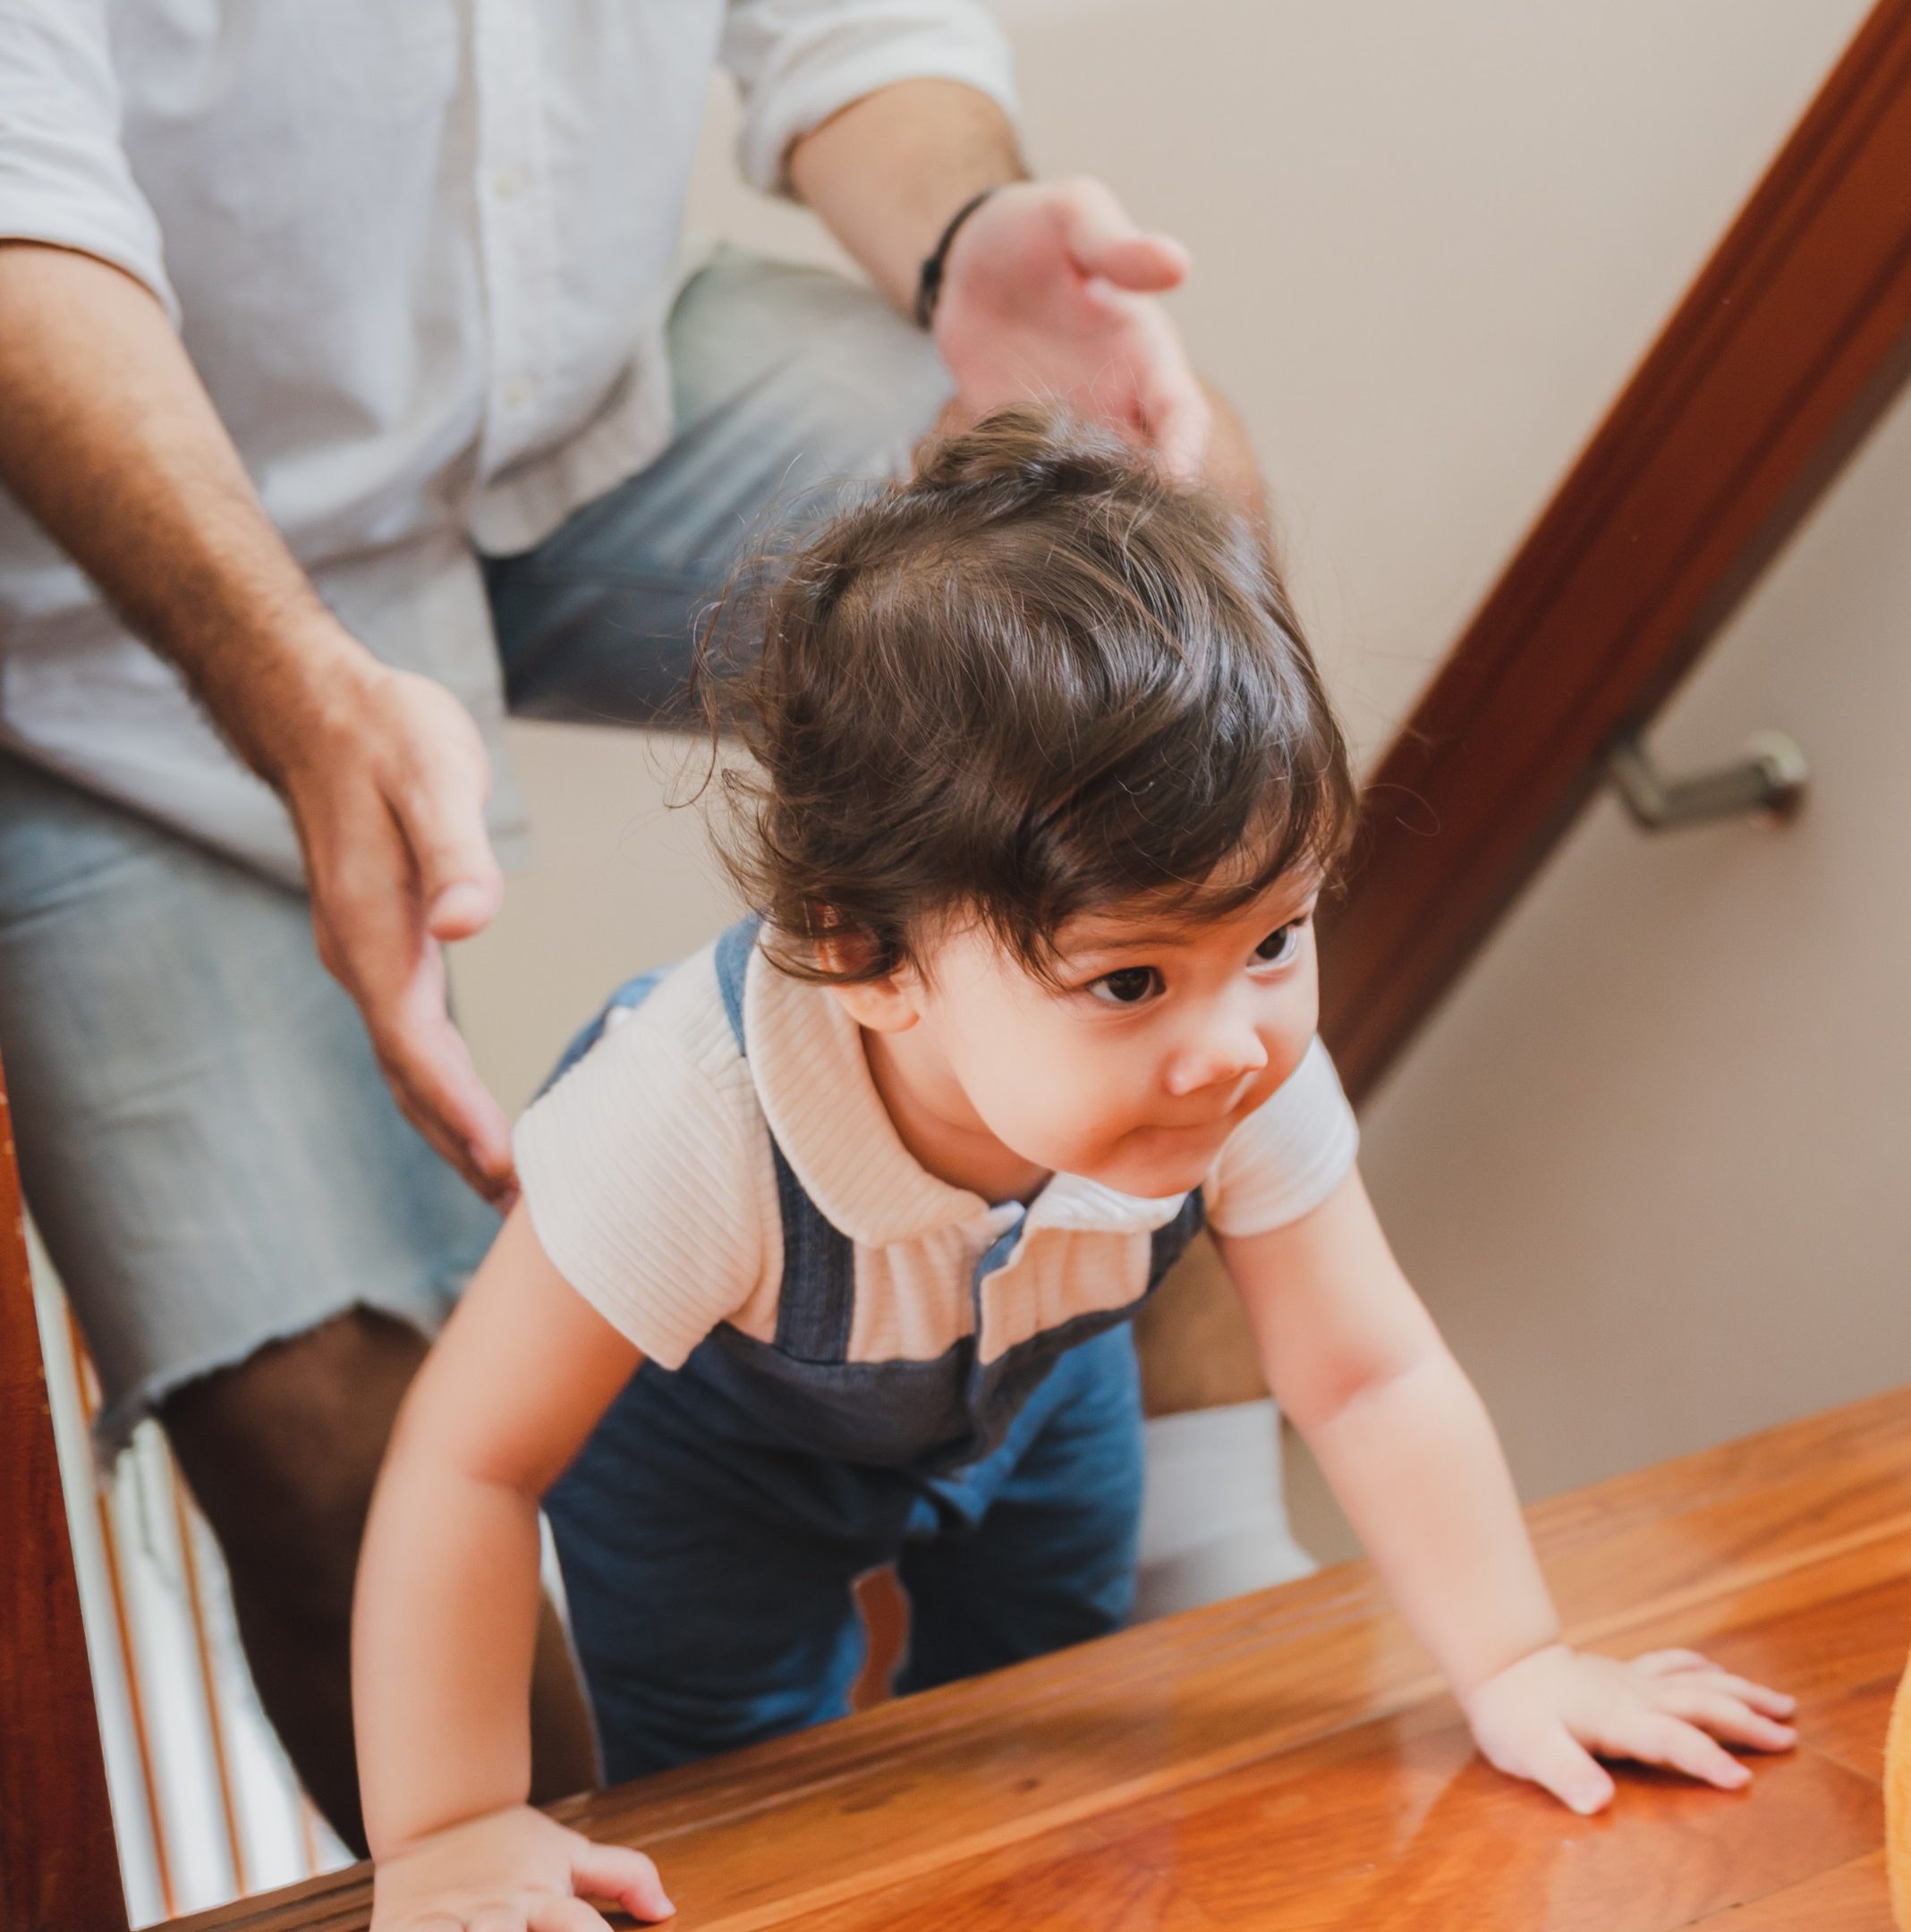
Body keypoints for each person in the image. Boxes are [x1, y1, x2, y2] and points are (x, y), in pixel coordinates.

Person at [0, 4, 1275, 1849]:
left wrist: (961, 231)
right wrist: (291, 686)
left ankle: (1220, 1554)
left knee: (1166, 525)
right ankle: (574, 1866)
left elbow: (857, 29)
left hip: (569, 412)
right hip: (90, 580)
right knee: (322, 1447)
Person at [349, 412, 1800, 1928]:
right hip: (716, 1462)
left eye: (1275, 940)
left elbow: (1366, 1373)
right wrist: (450, 1829)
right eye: (1131, 982)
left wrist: (1513, 1662)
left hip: (1032, 1392)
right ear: (867, 956)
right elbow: (469, 1459)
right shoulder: (685, 1127)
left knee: (1044, 1713)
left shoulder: (1230, 1067)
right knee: (742, 1801)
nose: (1232, 1044)